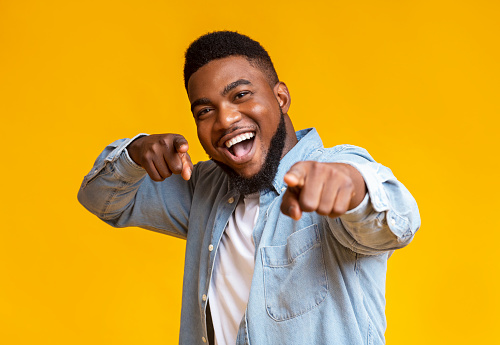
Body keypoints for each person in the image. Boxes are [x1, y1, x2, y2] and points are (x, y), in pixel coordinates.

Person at [78, 31, 420, 345]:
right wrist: (136, 152)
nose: (225, 119)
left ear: (281, 97)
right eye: (205, 111)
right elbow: (104, 200)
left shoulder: (332, 167)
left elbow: (395, 221)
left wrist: (352, 189)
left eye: (240, 95)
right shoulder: (202, 189)